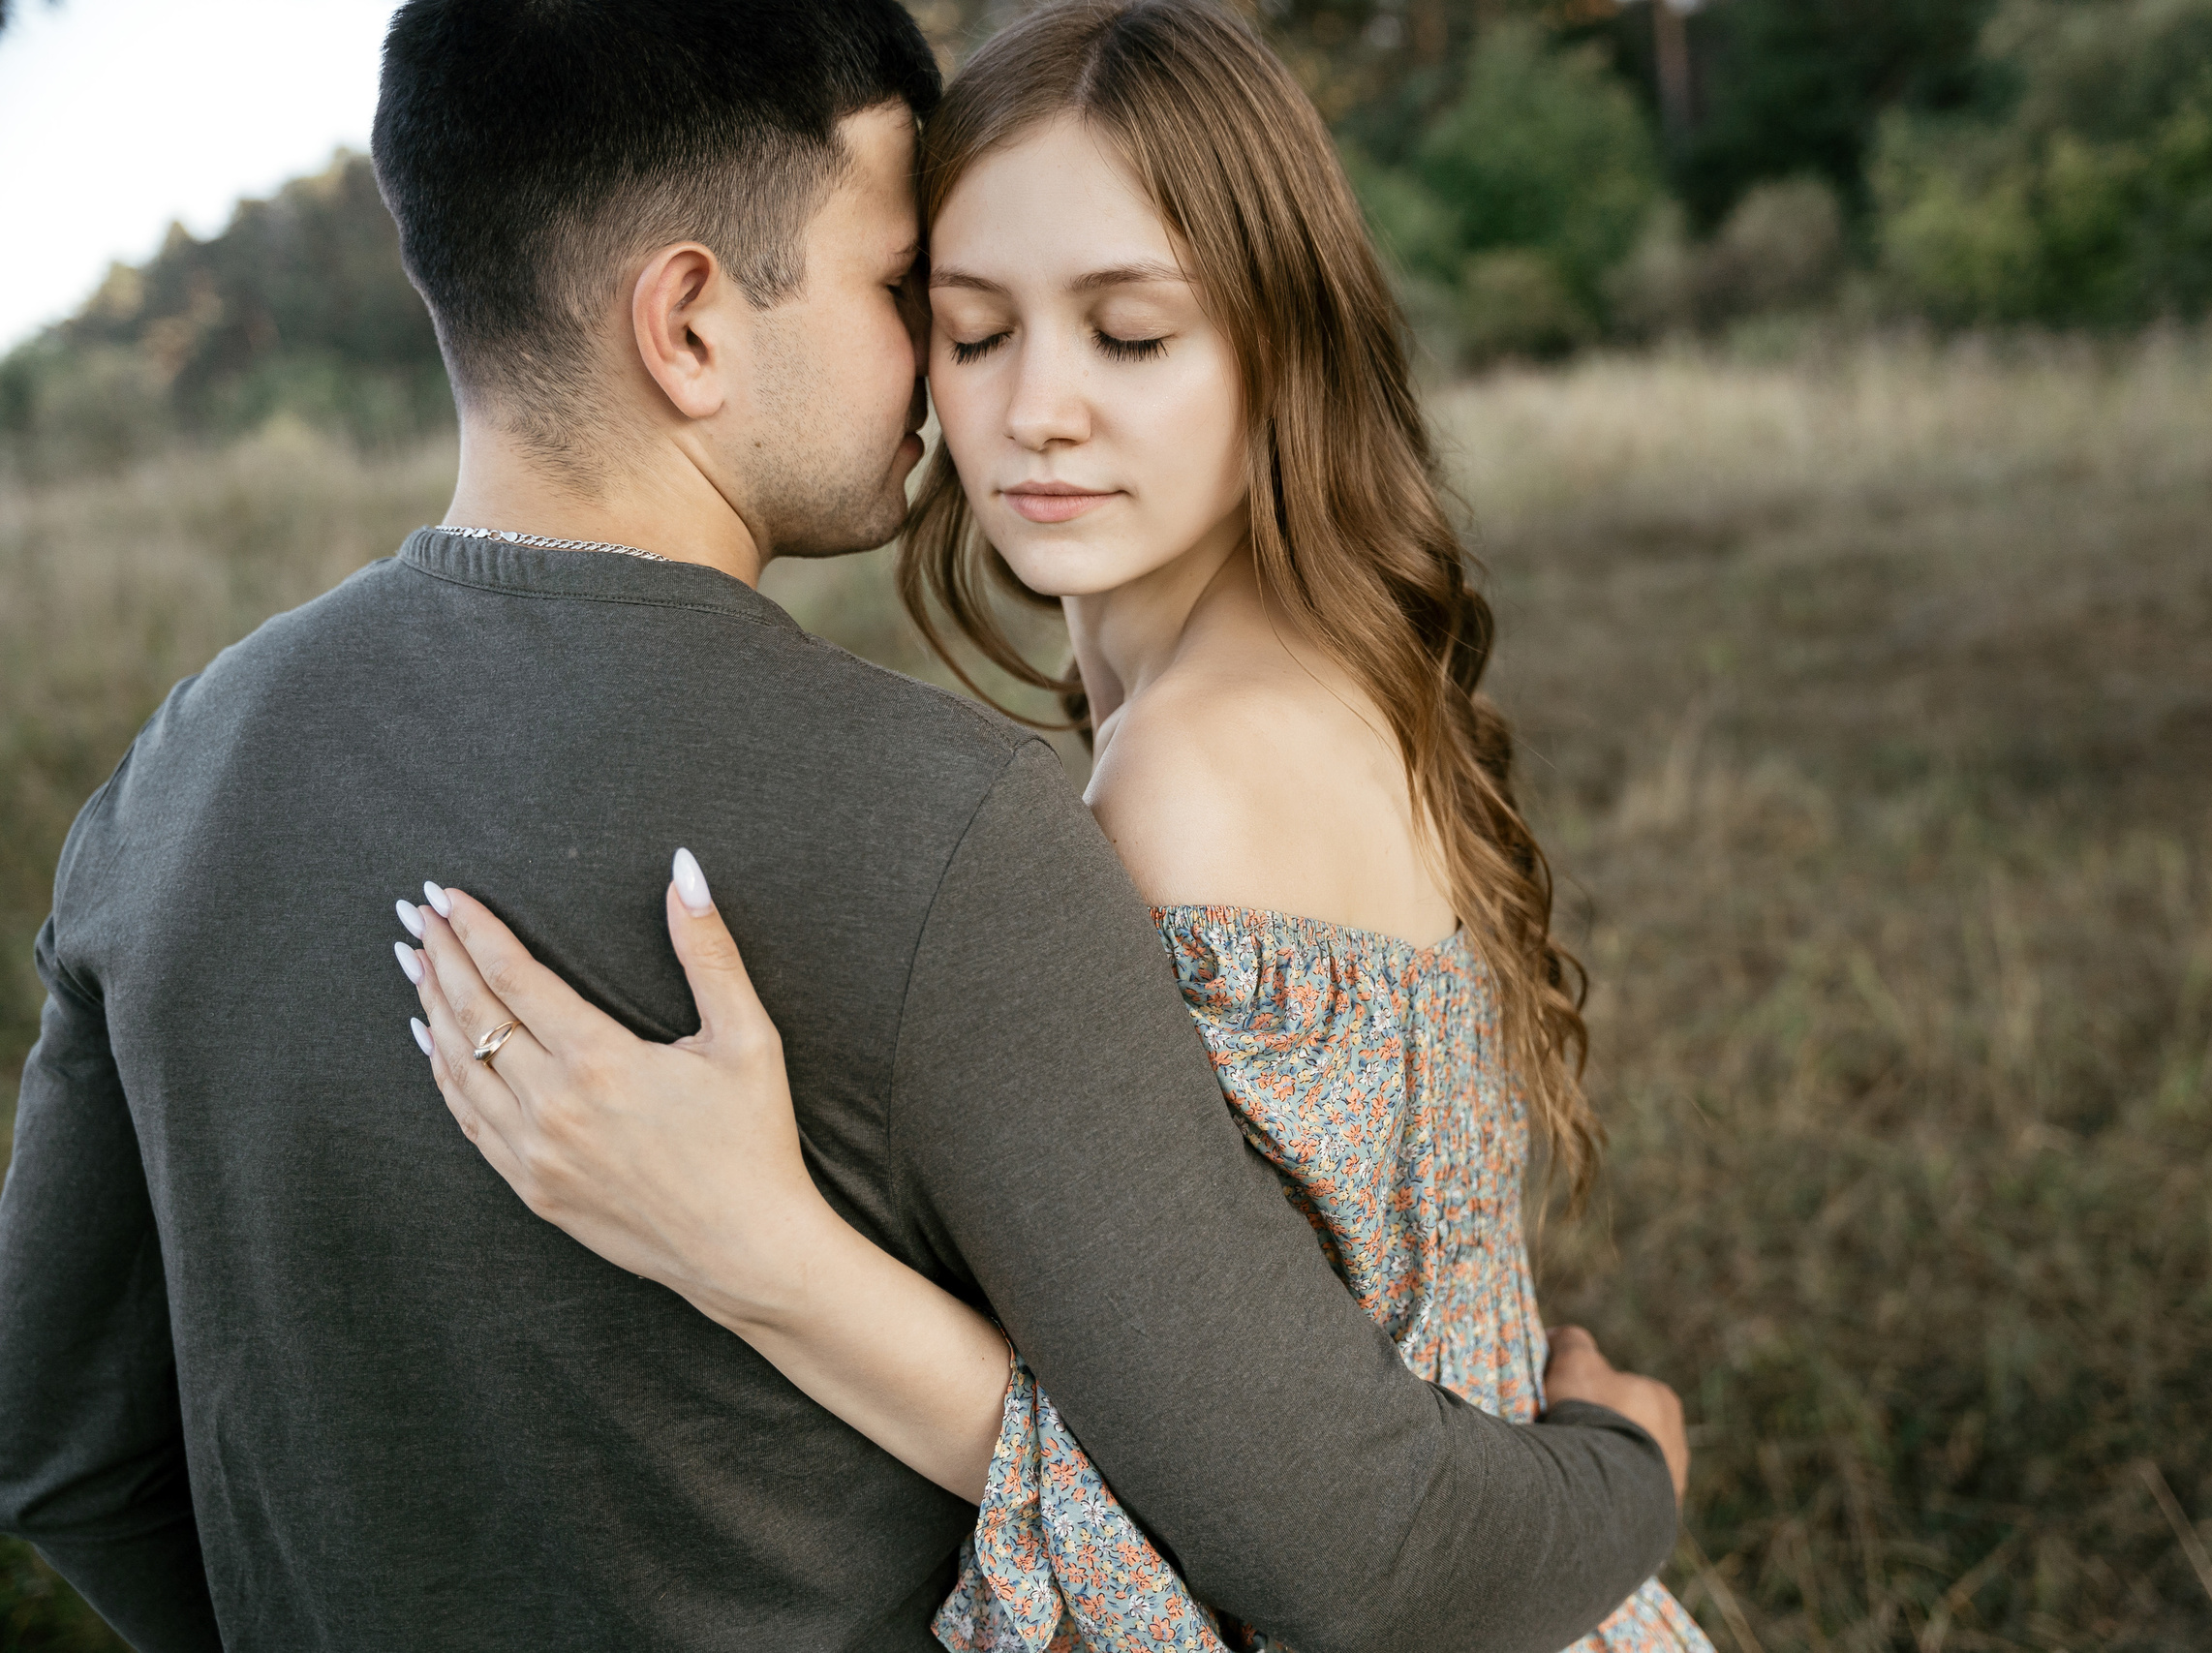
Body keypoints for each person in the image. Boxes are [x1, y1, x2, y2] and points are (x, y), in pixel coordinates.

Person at [0, 1, 1684, 1650]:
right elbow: (1343, 1545)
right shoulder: (953, 830)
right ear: (689, 326)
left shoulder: (158, 793)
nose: (1011, 408)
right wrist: (1626, 1471)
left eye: (1125, 333)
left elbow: (61, 1453)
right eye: (930, 305)